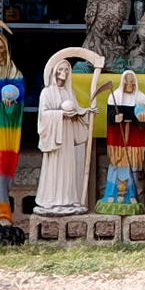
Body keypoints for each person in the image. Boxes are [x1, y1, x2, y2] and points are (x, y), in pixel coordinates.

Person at [34, 60, 95, 216]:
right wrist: (61, 114)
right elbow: (43, 115)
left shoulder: (69, 92)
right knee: (55, 167)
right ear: (54, 71)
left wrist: (86, 112)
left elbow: (77, 109)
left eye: (67, 70)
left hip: (67, 134)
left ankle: (68, 199)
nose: (64, 72)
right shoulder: (46, 92)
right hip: (55, 136)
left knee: (68, 166)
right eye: (61, 69)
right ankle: (51, 200)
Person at [95, 70, 145, 214]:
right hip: (118, 141)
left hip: (132, 140)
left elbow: (143, 120)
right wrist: (114, 118)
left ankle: (132, 195)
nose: (129, 83)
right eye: (127, 80)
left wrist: (142, 118)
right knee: (116, 166)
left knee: (132, 168)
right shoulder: (115, 96)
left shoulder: (141, 97)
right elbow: (110, 116)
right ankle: (111, 194)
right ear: (123, 81)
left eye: (132, 80)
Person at [0, 33, 24, 225]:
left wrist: (11, 100)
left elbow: (19, 92)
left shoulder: (13, 72)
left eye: (1, 47)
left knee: (0, 165)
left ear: (6, 51)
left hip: (3, 125)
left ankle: (3, 213)